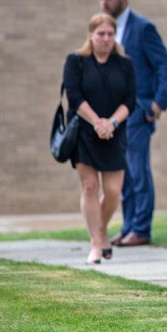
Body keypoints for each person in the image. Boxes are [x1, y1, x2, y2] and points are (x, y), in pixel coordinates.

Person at [98, 0, 167, 248]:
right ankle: (129, 226)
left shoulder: (143, 28)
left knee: (138, 171)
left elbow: (165, 65)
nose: (104, 3)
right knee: (124, 173)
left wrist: (158, 103)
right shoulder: (107, 30)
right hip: (114, 116)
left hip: (139, 112)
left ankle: (141, 229)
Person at [63, 14, 137, 265]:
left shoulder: (125, 64)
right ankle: (96, 242)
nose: (106, 39)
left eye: (110, 34)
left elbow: (130, 101)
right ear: (91, 35)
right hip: (85, 133)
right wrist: (96, 122)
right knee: (90, 187)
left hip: (114, 133)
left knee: (114, 191)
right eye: (100, 34)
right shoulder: (76, 61)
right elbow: (73, 96)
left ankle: (101, 229)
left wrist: (111, 123)